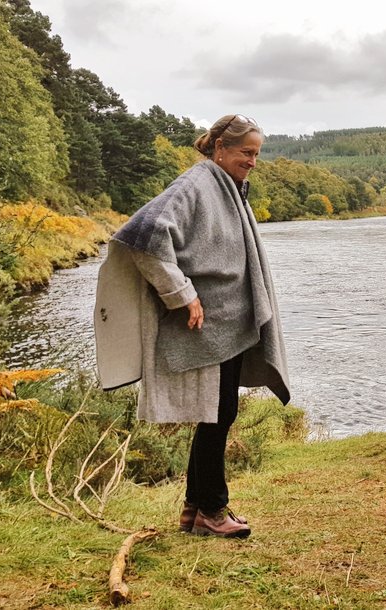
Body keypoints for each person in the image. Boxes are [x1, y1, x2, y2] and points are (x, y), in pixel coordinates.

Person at [93, 113, 290, 538]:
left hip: (225, 323)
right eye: (246, 152)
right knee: (217, 415)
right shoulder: (197, 184)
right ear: (220, 148)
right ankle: (214, 511)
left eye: (257, 154)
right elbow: (143, 235)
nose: (253, 161)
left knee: (218, 413)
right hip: (209, 325)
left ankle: (194, 508)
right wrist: (180, 293)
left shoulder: (227, 187)